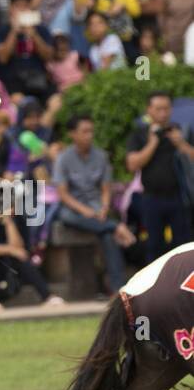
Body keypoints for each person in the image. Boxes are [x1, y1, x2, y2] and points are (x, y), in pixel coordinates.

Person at [53, 114, 129, 295]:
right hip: (74, 209)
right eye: (84, 131)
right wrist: (84, 210)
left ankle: (119, 289)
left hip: (96, 208)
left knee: (108, 236)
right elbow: (62, 193)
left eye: (91, 131)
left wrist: (103, 208)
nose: (89, 135)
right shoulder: (63, 158)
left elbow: (105, 189)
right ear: (73, 134)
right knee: (66, 216)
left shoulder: (101, 156)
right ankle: (116, 226)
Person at [125, 91, 194, 263]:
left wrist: (181, 144)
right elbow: (132, 164)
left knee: (183, 246)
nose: (163, 113)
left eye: (166, 108)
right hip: (151, 198)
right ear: (149, 110)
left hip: (178, 197)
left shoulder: (181, 131)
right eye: (158, 109)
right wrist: (153, 142)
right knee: (153, 245)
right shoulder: (140, 134)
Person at [0, 0, 54, 101]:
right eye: (17, 6)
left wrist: (34, 36)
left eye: (25, 6)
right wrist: (14, 32)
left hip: (38, 78)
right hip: (12, 80)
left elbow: (48, 56)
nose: (21, 9)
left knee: (56, 100)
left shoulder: (41, 30)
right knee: (21, 102)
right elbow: (2, 58)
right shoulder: (2, 31)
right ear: (10, 9)